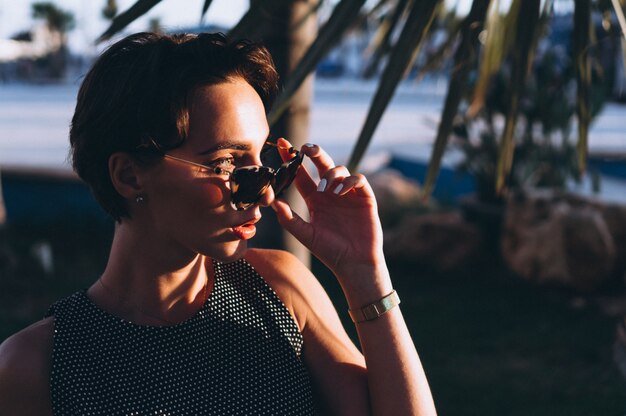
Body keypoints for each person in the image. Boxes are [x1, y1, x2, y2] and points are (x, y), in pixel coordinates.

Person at [0, 32, 436, 415]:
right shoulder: (39, 365)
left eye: (264, 162)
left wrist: (365, 274)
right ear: (129, 175)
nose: (265, 191)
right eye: (227, 163)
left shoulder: (279, 291)